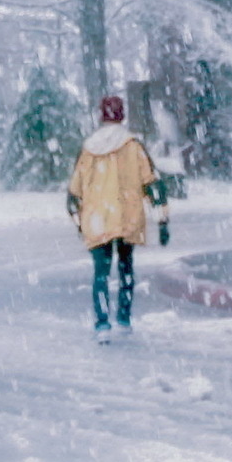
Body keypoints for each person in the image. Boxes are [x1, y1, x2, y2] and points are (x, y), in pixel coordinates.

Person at [67, 95, 157, 340]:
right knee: (126, 267)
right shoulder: (133, 146)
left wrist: (79, 222)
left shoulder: (88, 149)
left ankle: (102, 323)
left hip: (97, 218)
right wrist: (162, 218)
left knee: (100, 273)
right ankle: (124, 319)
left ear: (101, 115)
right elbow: (150, 183)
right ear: (122, 115)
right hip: (126, 216)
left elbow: (74, 192)